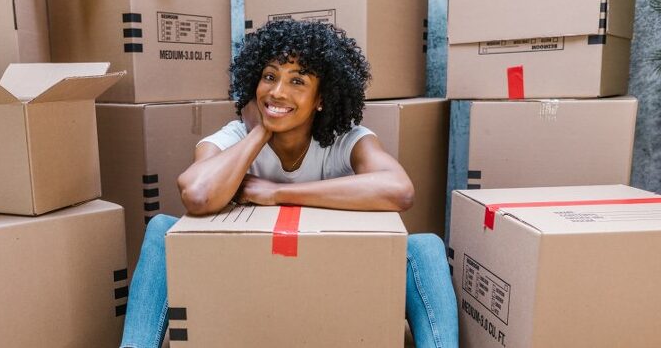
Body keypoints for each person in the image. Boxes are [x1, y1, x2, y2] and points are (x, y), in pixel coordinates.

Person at [121, 20, 458, 348]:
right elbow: (196, 194)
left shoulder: (346, 141)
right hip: (249, 282)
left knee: (424, 247)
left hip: (329, 283)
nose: (278, 92)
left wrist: (277, 193)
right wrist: (260, 131)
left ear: (321, 98)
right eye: (269, 77)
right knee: (163, 229)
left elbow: (399, 190)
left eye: (297, 81)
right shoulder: (235, 138)